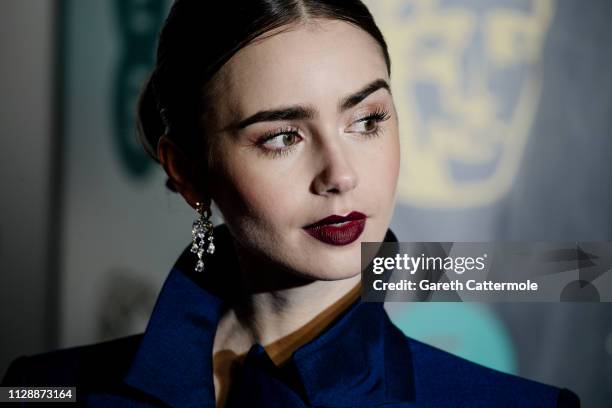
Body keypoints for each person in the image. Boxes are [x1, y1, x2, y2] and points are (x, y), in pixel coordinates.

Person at [2, 0, 580, 406]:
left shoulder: (518, 404)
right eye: (282, 136)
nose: (342, 175)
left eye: (367, 119)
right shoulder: (43, 386)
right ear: (186, 170)